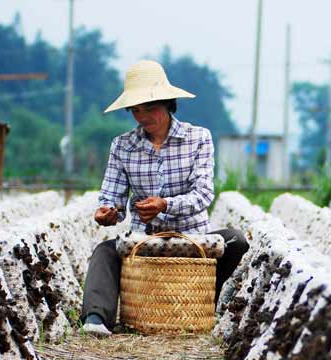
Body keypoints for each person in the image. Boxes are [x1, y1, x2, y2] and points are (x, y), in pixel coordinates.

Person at [80, 60, 249, 337]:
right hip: (144, 240)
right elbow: (112, 197)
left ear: (169, 104)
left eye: (150, 108)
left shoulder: (198, 138)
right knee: (105, 251)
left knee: (236, 241)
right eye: (135, 110)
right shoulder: (123, 145)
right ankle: (97, 317)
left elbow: (203, 194)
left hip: (192, 238)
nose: (142, 116)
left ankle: (204, 299)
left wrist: (166, 204)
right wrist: (108, 212)